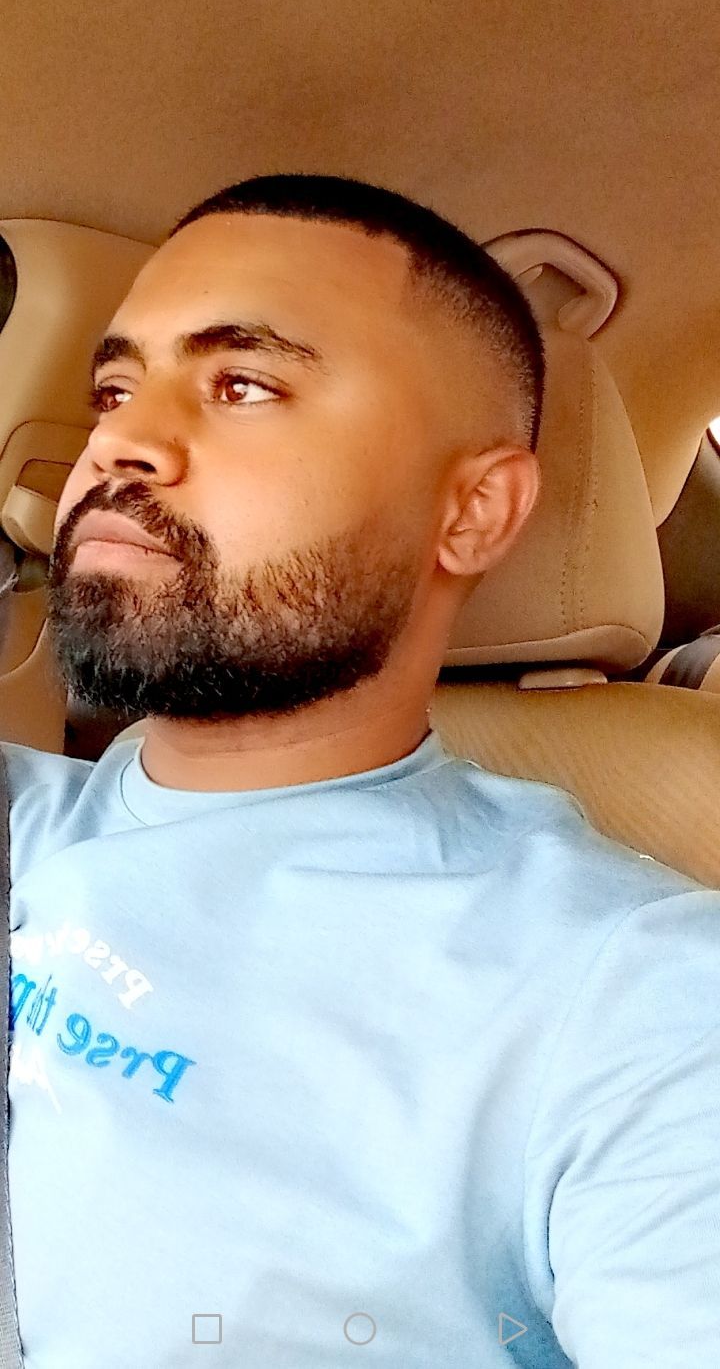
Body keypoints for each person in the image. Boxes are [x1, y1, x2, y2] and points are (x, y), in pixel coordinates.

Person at [3, 174, 719, 1368]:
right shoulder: (28, 812)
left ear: (474, 511)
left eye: (243, 384)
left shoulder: (633, 996)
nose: (120, 442)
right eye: (115, 390)